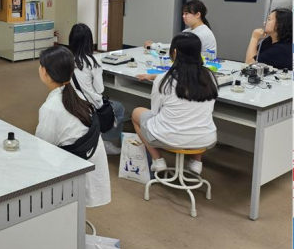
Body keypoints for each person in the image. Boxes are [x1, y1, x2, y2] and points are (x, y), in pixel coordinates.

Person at [35, 46, 110, 208]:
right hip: (88, 166)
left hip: (70, 170)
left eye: (40, 66)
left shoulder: (51, 108)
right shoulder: (78, 96)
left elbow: (42, 149)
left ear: (45, 72)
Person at [132, 32, 218, 175]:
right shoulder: (209, 76)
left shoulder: (164, 79)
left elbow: (154, 112)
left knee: (137, 113)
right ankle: (196, 162)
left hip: (168, 137)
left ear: (175, 52)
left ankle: (157, 160)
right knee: (198, 116)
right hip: (206, 139)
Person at [68, 23, 125, 155]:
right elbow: (99, 90)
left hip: (70, 102)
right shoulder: (93, 61)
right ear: (89, 41)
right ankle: (106, 141)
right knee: (119, 108)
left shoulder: (65, 58)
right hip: (89, 105)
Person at [145, 0, 217, 54]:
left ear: (198, 14)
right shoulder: (187, 31)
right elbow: (174, 46)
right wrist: (155, 45)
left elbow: (178, 50)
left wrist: (154, 46)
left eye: (186, 13)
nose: (183, 16)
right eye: (183, 13)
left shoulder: (202, 33)